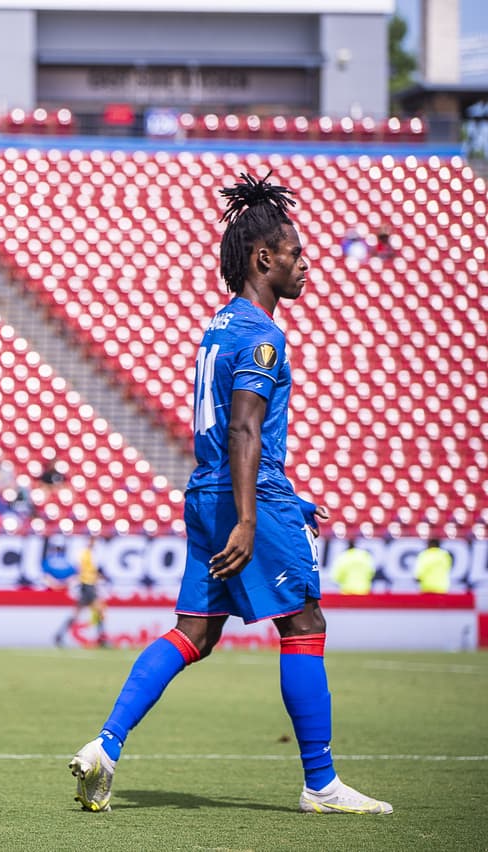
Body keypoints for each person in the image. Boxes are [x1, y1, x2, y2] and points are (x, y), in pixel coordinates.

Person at [68, 172, 391, 816]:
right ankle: (321, 785)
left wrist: (270, 502)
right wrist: (254, 515)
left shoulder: (218, 327)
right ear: (263, 258)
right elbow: (244, 426)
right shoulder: (262, 336)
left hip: (207, 491)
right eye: (296, 254)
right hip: (246, 497)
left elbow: (228, 431)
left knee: (195, 631)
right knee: (303, 623)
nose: (305, 265)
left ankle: (105, 746)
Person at [53, 536, 108, 648]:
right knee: (98, 611)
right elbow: (83, 570)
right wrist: (95, 577)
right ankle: (102, 639)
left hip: (88, 585)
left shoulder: (90, 554)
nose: (93, 543)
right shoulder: (86, 554)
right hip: (87, 586)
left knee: (87, 612)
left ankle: (59, 635)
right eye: (92, 541)